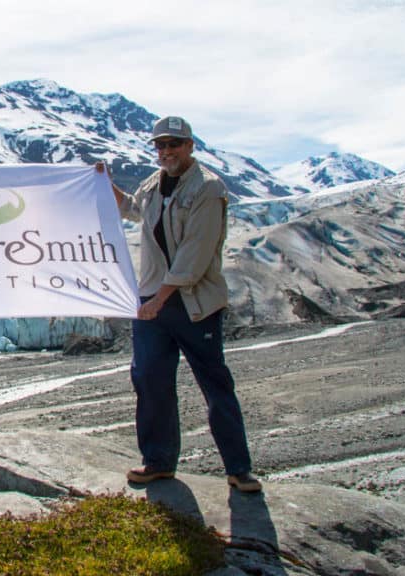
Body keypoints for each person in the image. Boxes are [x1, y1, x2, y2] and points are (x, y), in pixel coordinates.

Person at [96, 116, 261, 492]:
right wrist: (107, 185)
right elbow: (134, 210)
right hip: (153, 299)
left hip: (192, 303)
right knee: (150, 380)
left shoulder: (209, 189)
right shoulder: (154, 184)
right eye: (161, 145)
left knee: (214, 383)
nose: (166, 151)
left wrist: (158, 300)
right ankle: (158, 462)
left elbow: (195, 253)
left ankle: (239, 469)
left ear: (190, 146)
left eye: (174, 144)